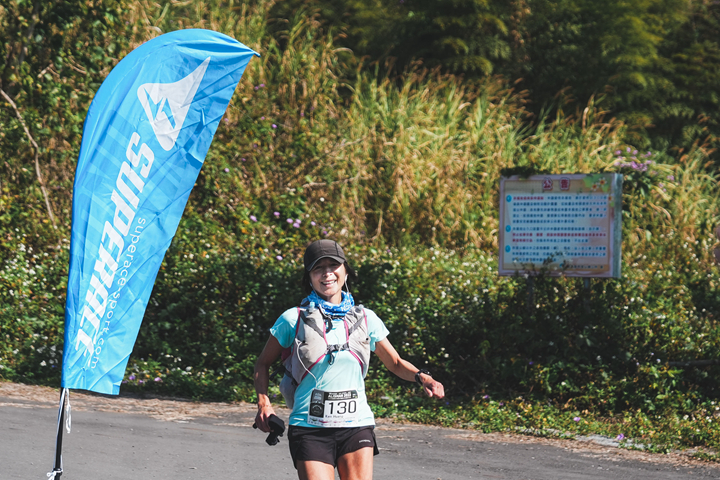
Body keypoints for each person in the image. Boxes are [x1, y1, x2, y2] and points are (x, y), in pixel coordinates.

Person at [254, 239, 445, 480]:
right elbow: (262, 363)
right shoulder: (293, 319)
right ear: (309, 277)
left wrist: (422, 377)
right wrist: (264, 403)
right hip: (309, 427)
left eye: (333, 266)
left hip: (356, 426)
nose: (327, 274)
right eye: (317, 268)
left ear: (345, 270)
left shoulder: (366, 318)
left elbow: (395, 363)